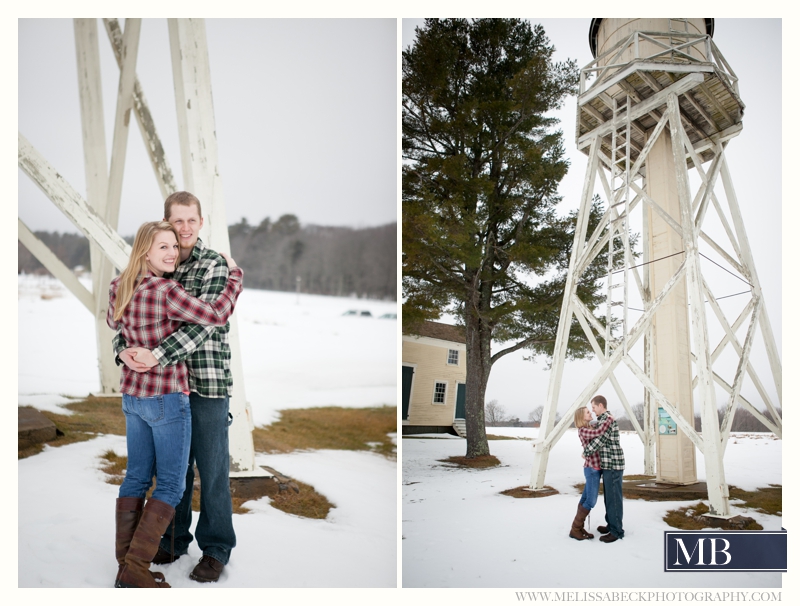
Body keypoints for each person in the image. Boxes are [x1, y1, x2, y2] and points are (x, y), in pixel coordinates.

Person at [109, 221, 243, 588]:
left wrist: (127, 352)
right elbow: (215, 316)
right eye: (163, 247)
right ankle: (135, 569)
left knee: (137, 476)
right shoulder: (167, 290)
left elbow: (114, 324)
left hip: (132, 396)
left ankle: (126, 565)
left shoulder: (118, 286)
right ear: (145, 252)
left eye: (173, 247)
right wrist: (235, 277)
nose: (171, 253)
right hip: (167, 396)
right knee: (170, 484)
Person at [582, 395, 625, 543]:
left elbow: (601, 440)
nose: (593, 411)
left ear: (600, 405)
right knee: (609, 497)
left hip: (613, 463)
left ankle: (617, 531)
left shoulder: (607, 419)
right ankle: (611, 524)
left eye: (593, 407)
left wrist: (586, 452)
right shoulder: (603, 420)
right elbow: (594, 428)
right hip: (608, 464)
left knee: (614, 498)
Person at [569, 406, 614, 541]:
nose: (591, 413)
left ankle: (577, 528)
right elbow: (600, 432)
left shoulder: (589, 427)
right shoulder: (583, 431)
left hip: (595, 469)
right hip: (592, 469)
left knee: (584, 499)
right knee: (591, 501)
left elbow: (596, 426)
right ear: (582, 417)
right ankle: (575, 529)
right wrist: (609, 420)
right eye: (588, 412)